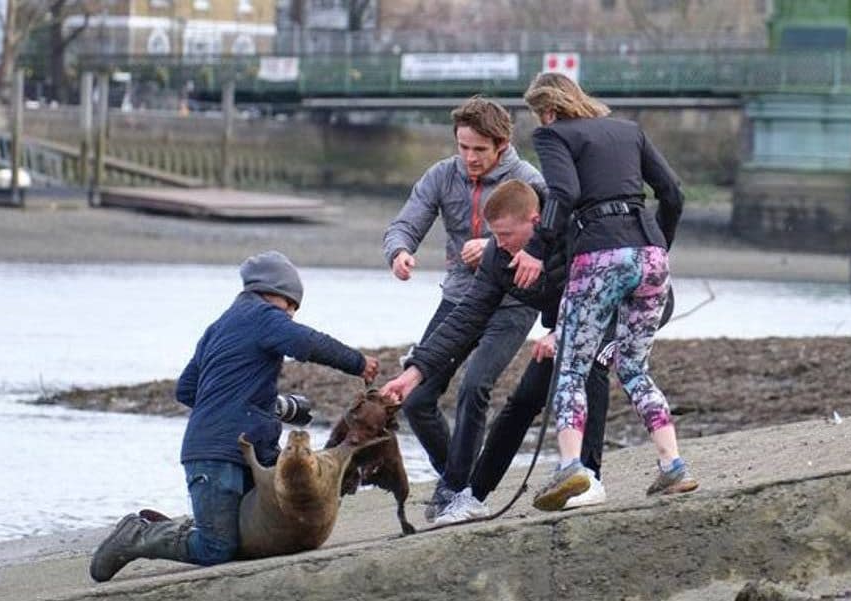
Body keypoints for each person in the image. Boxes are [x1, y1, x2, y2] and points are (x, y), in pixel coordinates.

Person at [89, 251, 379, 582]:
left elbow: (186, 390)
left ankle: (185, 528)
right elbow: (306, 343)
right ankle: (137, 535)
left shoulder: (218, 328)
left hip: (249, 448)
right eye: (291, 307)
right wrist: (357, 362)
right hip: (216, 455)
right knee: (217, 548)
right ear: (274, 293)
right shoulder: (264, 316)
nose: (291, 317)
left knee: (258, 530)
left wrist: (270, 404)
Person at [381, 179, 613, 523]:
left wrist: (563, 331)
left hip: (620, 312)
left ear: (535, 223)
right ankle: (473, 496)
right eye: (494, 235)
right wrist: (414, 373)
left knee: (587, 368)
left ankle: (589, 477)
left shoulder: (575, 234)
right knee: (522, 401)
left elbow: (606, 291)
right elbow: (467, 317)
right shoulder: (497, 255)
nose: (498, 244)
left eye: (505, 235)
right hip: (565, 326)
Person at [518, 72, 697, 512]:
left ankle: (572, 467)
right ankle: (673, 465)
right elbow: (672, 193)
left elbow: (565, 191)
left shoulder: (552, 134)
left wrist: (538, 250)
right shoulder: (628, 130)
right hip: (650, 253)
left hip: (598, 256)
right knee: (634, 366)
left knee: (572, 368)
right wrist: (656, 246)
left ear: (548, 109)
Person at [382, 96, 545, 521]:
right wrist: (400, 251)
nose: (470, 158)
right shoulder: (442, 175)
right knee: (417, 398)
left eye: (479, 150)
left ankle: (454, 489)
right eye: (463, 148)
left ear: (502, 145)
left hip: (514, 300)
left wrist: (493, 246)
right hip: (460, 297)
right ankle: (459, 479)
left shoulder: (528, 180)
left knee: (475, 386)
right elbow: (405, 221)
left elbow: (550, 234)